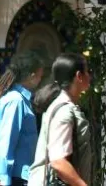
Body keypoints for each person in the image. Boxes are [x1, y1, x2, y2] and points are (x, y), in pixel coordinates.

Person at [28, 53, 91, 186]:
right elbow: (58, 162)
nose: (89, 76)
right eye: (87, 72)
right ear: (79, 76)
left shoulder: (61, 105)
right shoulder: (64, 112)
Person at [0, 51, 44, 186]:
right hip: (17, 179)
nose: (40, 80)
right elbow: (6, 144)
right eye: (39, 76)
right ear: (31, 76)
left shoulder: (22, 100)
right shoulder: (15, 101)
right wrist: (4, 181)